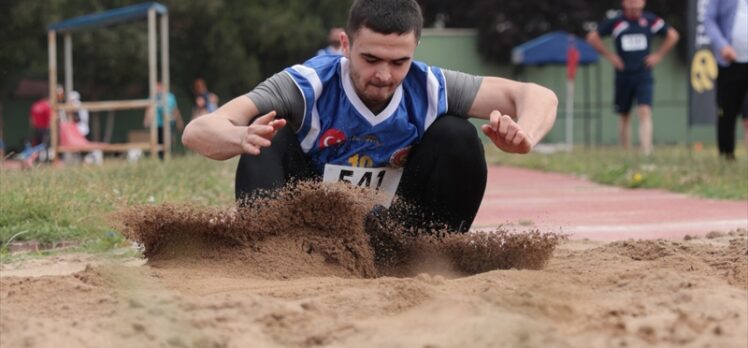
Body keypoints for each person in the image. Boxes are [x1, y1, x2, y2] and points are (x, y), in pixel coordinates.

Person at [183, 0, 558, 233]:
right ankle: (268, 252)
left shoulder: (429, 85)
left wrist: (525, 133)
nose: (384, 75)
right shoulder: (306, 84)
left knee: (457, 135)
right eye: (371, 59)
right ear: (345, 45)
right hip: (308, 224)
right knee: (266, 135)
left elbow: (535, 95)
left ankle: (434, 252)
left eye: (399, 61)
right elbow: (198, 130)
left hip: (393, 227)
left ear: (415, 49)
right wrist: (238, 137)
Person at [586, 0, 679, 156]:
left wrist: (658, 55)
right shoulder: (616, 21)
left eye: (637, 1)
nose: (634, 5)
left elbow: (673, 35)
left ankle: (646, 151)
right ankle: (625, 152)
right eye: (630, 1)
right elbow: (592, 37)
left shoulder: (650, 20)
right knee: (624, 114)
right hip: (623, 75)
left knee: (644, 110)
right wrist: (610, 56)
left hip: (643, 74)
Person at [705, 0, 748, 160]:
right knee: (727, 111)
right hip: (729, 62)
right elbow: (709, 19)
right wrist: (722, 45)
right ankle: (726, 156)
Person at [144, 82, 185, 159]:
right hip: (157, 124)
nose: (157, 89)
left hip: (169, 123)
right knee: (158, 141)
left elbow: (175, 110)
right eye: (156, 87)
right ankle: (160, 158)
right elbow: (148, 109)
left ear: (162, 87)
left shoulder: (170, 97)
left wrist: (179, 121)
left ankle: (170, 155)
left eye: (158, 87)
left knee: (169, 140)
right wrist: (146, 120)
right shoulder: (152, 97)